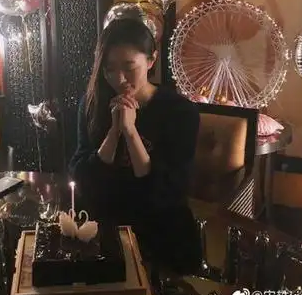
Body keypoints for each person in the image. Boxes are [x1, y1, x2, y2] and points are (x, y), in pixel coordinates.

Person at [69, 18, 202, 275]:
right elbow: (83, 178)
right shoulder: (92, 104)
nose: (119, 79)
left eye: (129, 67)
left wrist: (131, 133)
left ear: (151, 60)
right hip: (105, 228)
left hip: (161, 233)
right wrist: (114, 133)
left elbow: (169, 190)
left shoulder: (179, 112)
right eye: (109, 69)